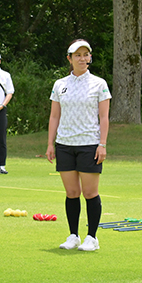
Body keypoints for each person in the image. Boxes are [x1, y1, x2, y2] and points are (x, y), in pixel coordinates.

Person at [45, 40, 111, 252]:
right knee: (72, 192)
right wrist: (50, 144)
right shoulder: (60, 84)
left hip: (89, 144)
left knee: (90, 192)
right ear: (69, 59)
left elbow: (104, 117)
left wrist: (102, 144)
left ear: (90, 57)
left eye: (86, 55)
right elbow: (54, 116)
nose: (83, 58)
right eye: (78, 55)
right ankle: (73, 235)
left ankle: (92, 237)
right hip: (65, 144)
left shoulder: (99, 84)